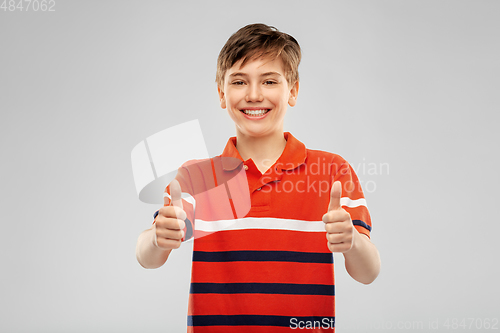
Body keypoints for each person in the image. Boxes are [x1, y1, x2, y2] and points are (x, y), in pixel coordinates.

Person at [136, 23, 380, 332]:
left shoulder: (333, 171)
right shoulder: (197, 177)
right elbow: (148, 257)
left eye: (268, 81)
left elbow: (368, 272)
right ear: (221, 93)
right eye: (239, 81)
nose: (254, 95)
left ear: (292, 91)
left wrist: (352, 243)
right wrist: (159, 238)